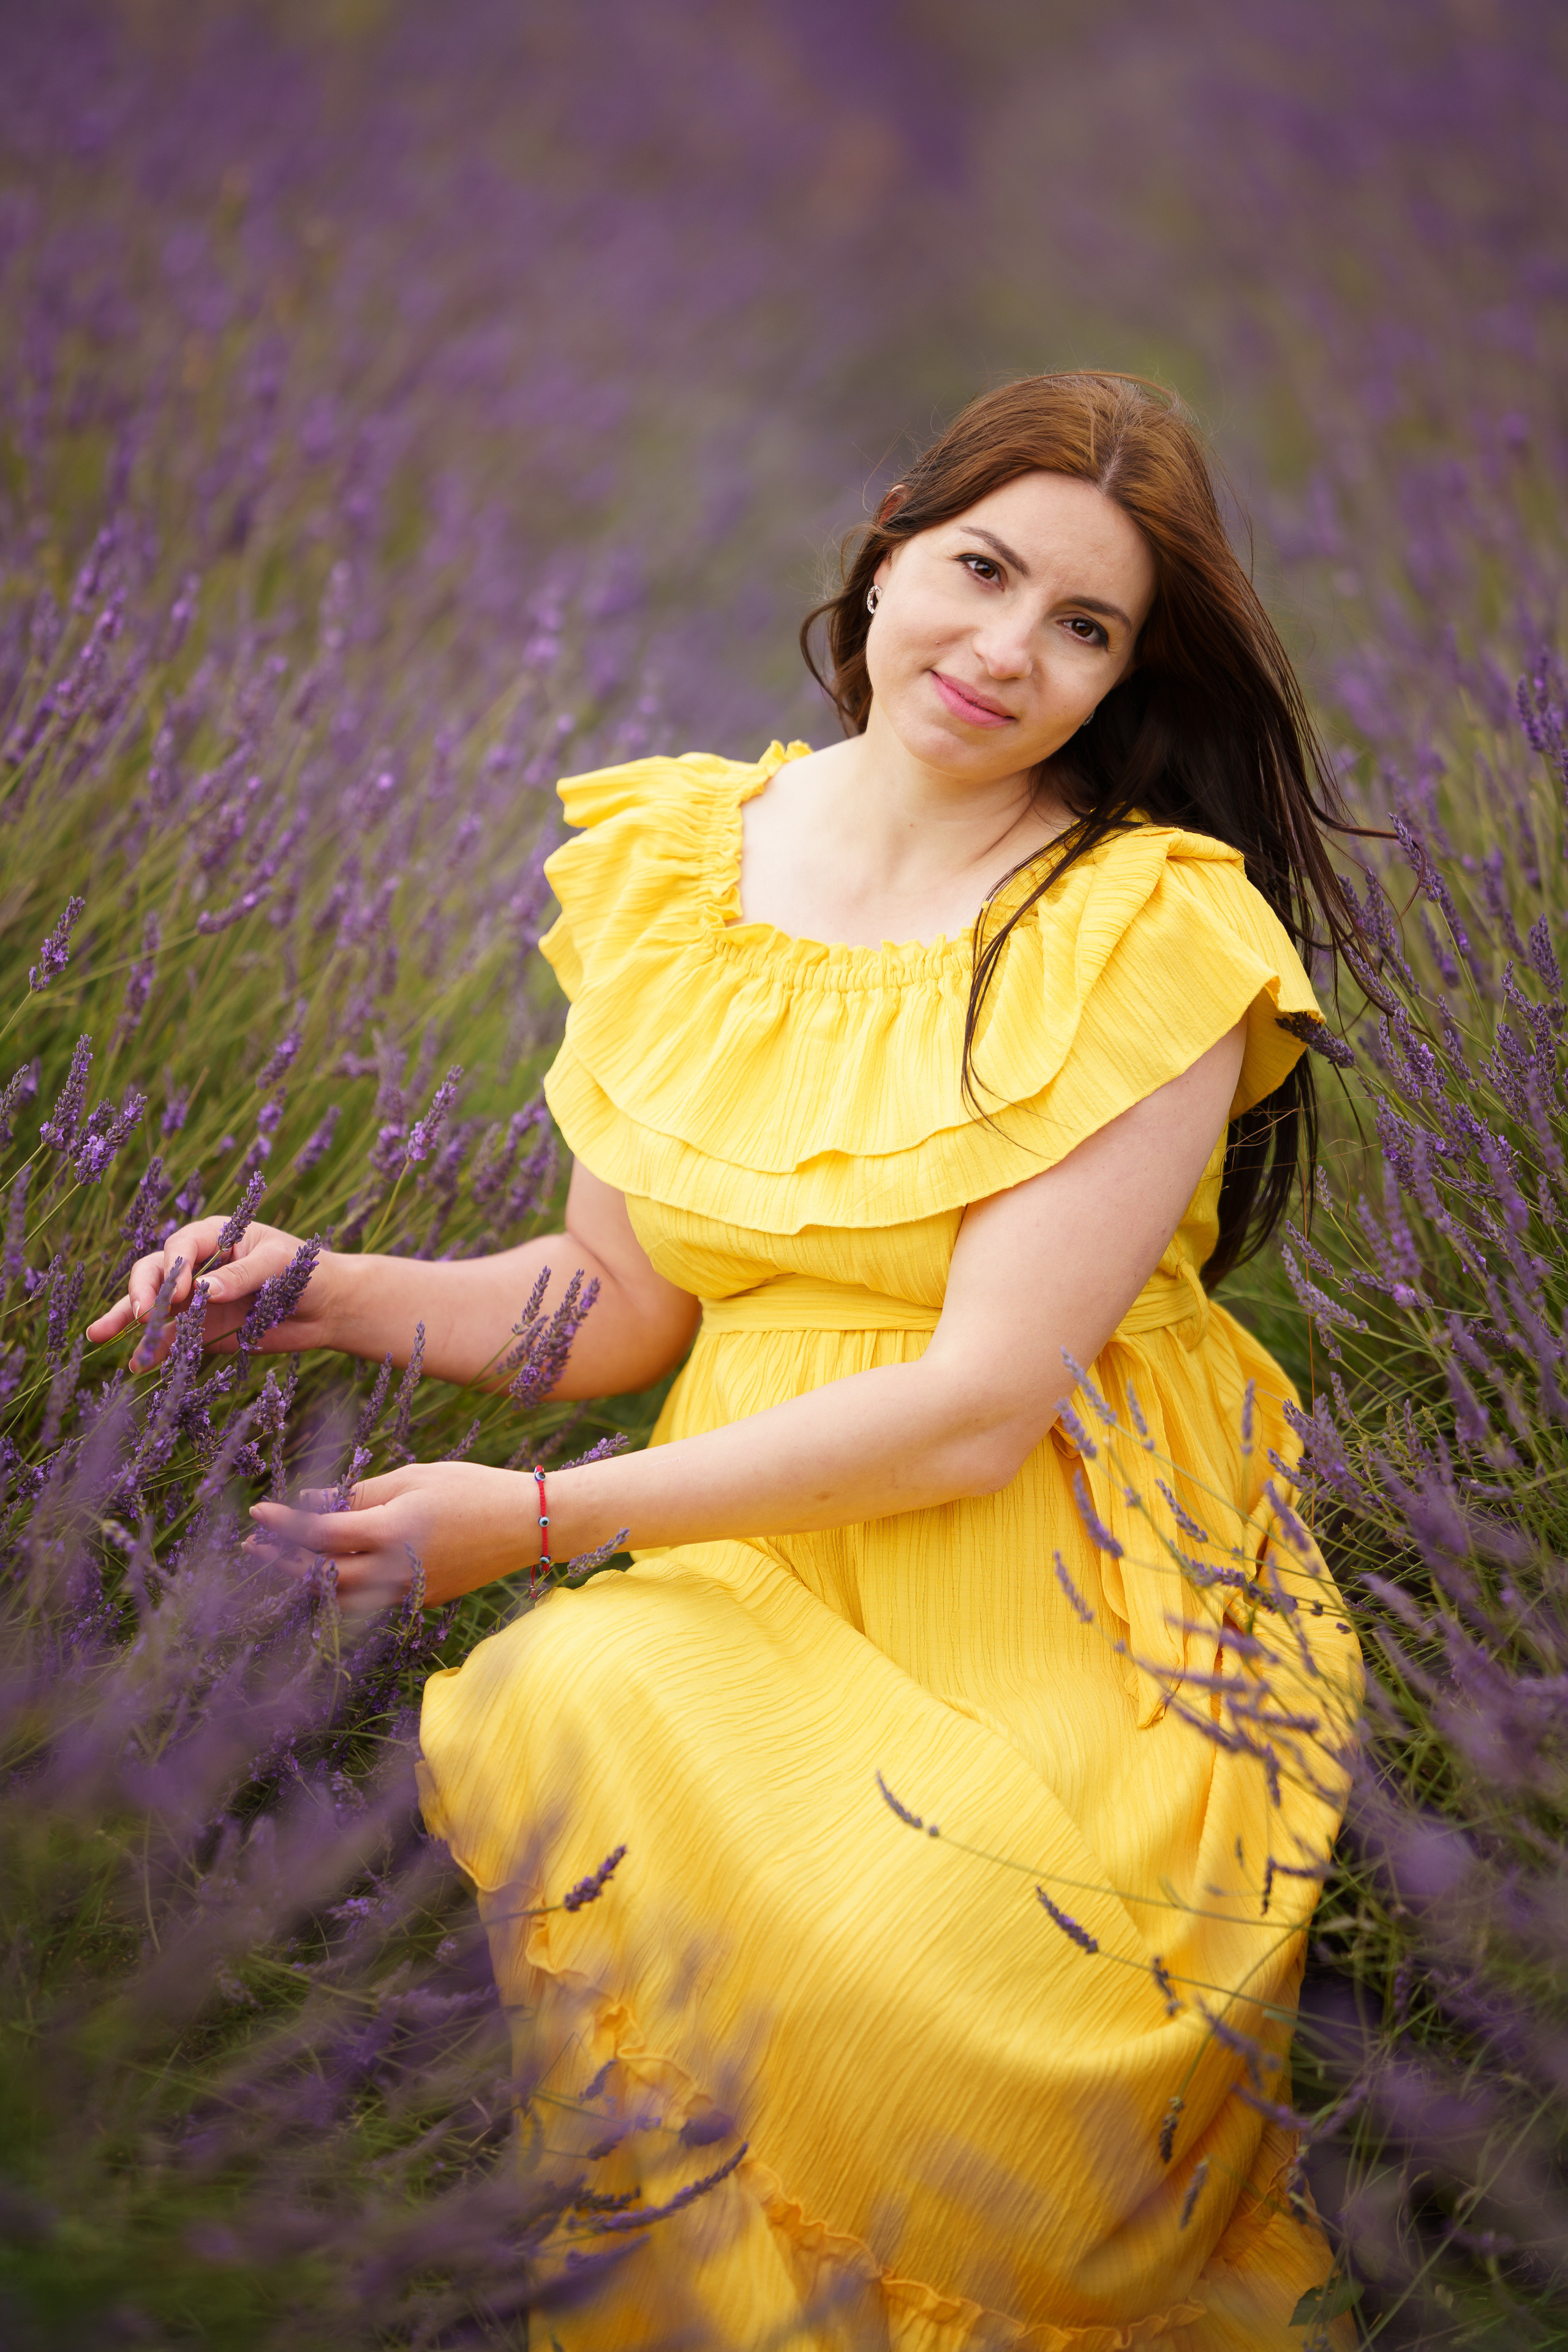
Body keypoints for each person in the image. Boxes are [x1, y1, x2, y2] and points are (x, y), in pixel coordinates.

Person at [91, 373, 1363, 2350]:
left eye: (1087, 627)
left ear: (1127, 680)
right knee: (613, 1719)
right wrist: (322, 1285)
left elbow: (972, 1410)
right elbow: (620, 1304)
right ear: (888, 548)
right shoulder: (690, 860)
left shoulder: (1147, 926)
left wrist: (531, 1521)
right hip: (756, 1549)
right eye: (983, 569)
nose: (1007, 648)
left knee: (641, 1725)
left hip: (1071, 1596)